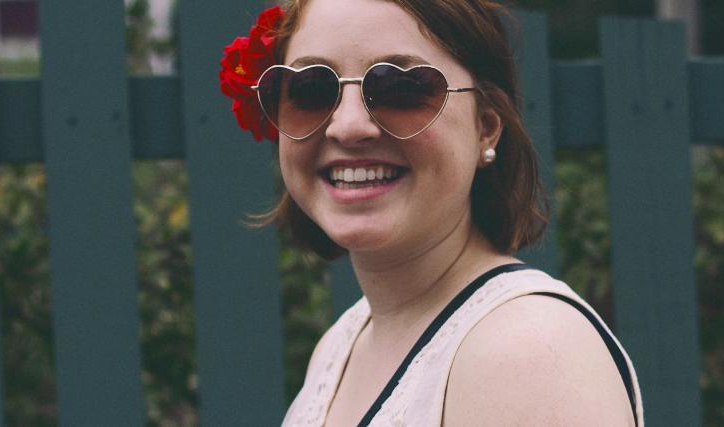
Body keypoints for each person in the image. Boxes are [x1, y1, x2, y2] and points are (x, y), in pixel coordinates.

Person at [219, 0, 643, 425]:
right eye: (310, 90)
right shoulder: (342, 345)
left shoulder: (529, 354)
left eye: (402, 89)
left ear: (486, 126)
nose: (347, 125)